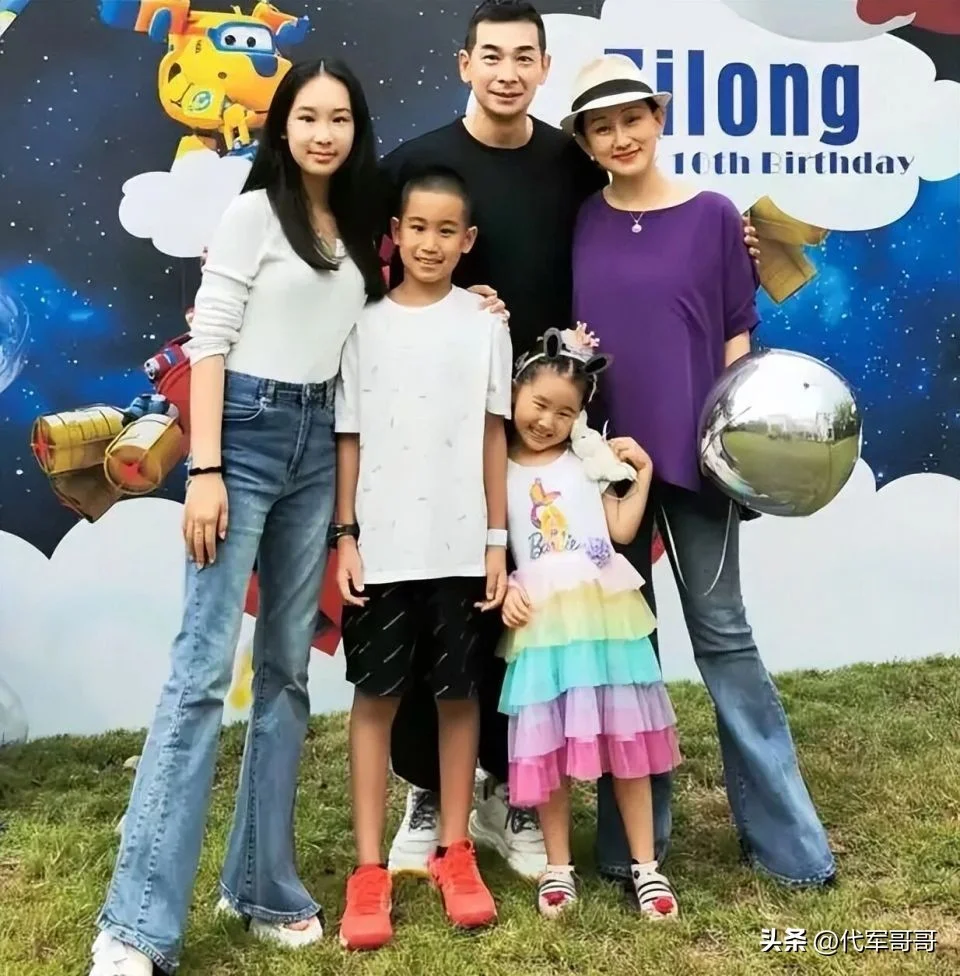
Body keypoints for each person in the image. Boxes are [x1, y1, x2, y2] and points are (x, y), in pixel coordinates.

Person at [381, 0, 760, 885]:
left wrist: (733, 237)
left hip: (574, 438)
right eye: (492, 55)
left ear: (544, 68)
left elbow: (657, 223)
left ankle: (534, 799)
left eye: (525, 56)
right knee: (472, 608)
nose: (508, 71)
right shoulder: (415, 163)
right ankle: (442, 788)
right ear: (465, 63)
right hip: (473, 430)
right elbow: (377, 269)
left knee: (576, 619)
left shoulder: (573, 164)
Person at [88, 59, 388, 976]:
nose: (324, 133)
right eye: (308, 116)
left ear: (356, 130)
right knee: (200, 676)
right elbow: (210, 341)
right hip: (245, 437)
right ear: (282, 126)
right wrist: (208, 471)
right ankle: (135, 926)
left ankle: (260, 886)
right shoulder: (254, 213)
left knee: (288, 675)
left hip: (317, 442)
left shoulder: (361, 226)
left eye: (340, 118)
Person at [563, 53, 837, 889]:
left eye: (632, 119)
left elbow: (735, 336)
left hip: (698, 466)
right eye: (602, 127)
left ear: (658, 118)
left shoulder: (715, 215)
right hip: (608, 471)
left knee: (723, 636)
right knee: (627, 650)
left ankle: (789, 845)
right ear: (586, 140)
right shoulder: (582, 220)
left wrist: (729, 452)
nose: (621, 136)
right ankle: (631, 849)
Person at [333, 166, 513, 950]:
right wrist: (345, 535)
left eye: (446, 231)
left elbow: (494, 434)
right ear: (394, 235)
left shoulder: (486, 324)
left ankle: (456, 850)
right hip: (381, 550)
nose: (430, 243)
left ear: (467, 241)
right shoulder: (362, 325)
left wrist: (497, 540)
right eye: (417, 228)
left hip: (462, 547)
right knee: (375, 700)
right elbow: (348, 438)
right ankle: (368, 869)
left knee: (459, 697)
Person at [499, 323, 683, 918]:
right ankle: (558, 866)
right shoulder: (496, 467)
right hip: (542, 619)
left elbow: (622, 530)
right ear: (514, 392)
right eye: (539, 404)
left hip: (604, 613)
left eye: (564, 412)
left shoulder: (587, 459)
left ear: (580, 416)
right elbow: (493, 545)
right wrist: (502, 592)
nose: (547, 420)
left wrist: (642, 476)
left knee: (626, 743)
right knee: (547, 745)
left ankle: (646, 866)